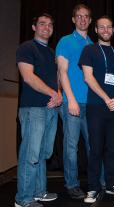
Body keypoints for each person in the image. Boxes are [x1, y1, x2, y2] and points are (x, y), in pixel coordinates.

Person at [79, 16, 114, 203]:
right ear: (96, 30)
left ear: (113, 30)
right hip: (97, 107)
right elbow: (88, 78)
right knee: (96, 149)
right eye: (102, 27)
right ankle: (92, 188)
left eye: (109, 27)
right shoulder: (89, 50)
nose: (106, 30)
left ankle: (112, 183)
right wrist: (107, 98)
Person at [15, 13, 62, 207]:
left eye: (50, 25)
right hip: (33, 109)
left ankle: (39, 192)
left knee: (43, 153)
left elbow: (57, 78)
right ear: (34, 27)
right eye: (42, 24)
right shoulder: (27, 47)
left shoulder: (51, 53)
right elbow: (28, 77)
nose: (46, 27)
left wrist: (58, 94)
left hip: (50, 109)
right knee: (30, 154)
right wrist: (53, 93)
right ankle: (23, 199)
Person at [56, 4, 100, 199]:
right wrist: (71, 99)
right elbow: (62, 71)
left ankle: (96, 182)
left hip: (91, 104)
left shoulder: (93, 44)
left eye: (86, 16)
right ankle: (72, 184)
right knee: (71, 146)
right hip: (71, 103)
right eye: (79, 16)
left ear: (90, 21)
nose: (83, 19)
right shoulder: (65, 41)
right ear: (73, 19)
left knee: (94, 145)